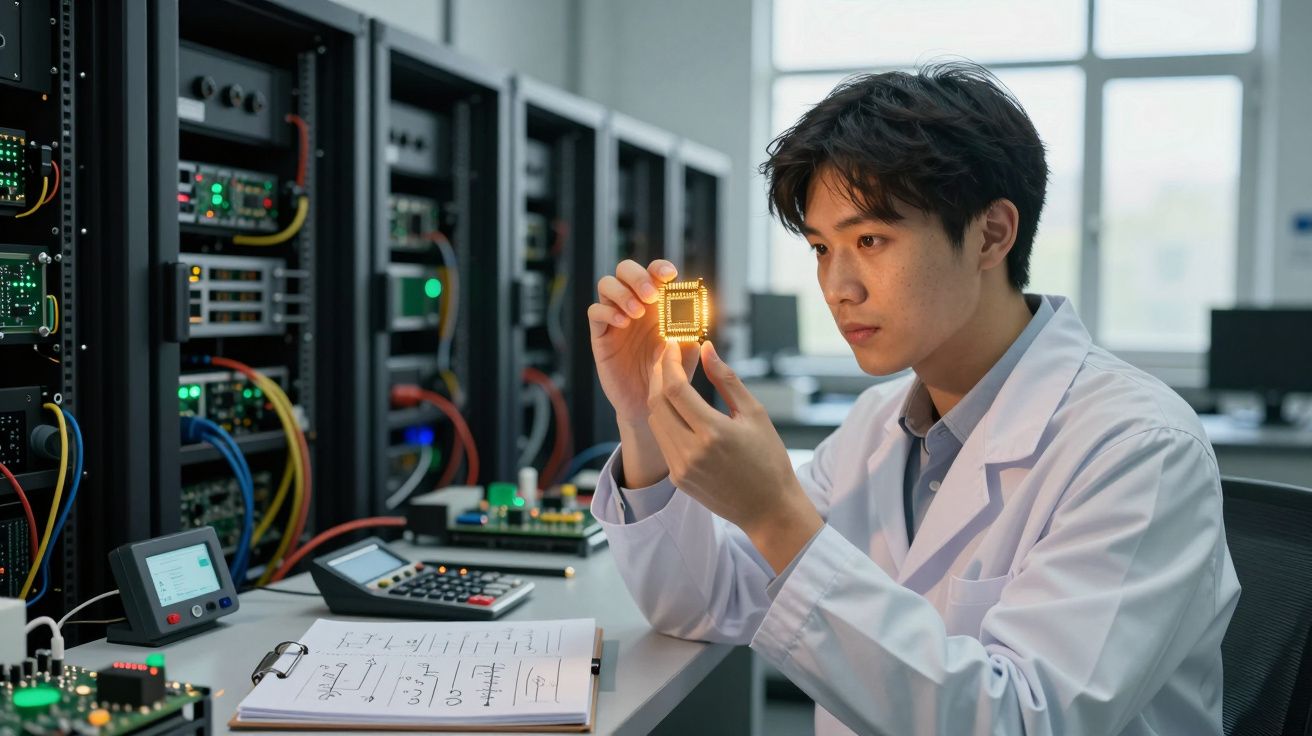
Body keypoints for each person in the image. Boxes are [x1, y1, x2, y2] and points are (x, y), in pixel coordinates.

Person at [585, 61, 1239, 735]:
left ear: (992, 234)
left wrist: (776, 513)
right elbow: (702, 605)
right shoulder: (877, 426)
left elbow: (1019, 721)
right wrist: (642, 419)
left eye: (870, 240)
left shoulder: (1138, 449)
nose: (838, 287)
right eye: (819, 248)